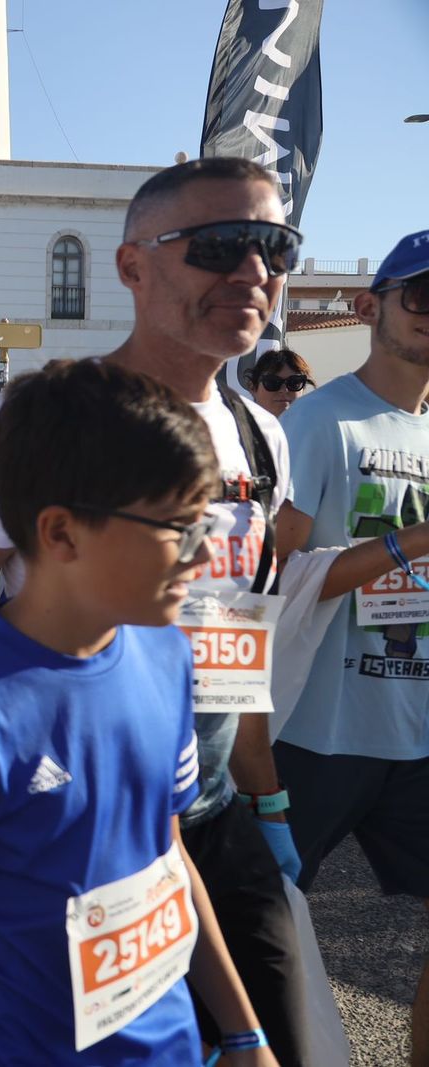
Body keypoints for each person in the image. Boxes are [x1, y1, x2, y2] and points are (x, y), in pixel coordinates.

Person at [0, 157, 311, 1065]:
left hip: (203, 812)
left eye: (274, 247)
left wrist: (265, 794)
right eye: (219, 246)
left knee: (272, 1042)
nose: (252, 273)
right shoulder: (38, 422)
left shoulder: (261, 434)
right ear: (132, 266)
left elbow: (237, 625)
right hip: (77, 820)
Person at [0, 359, 276, 1067]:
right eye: (175, 527)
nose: (200, 557)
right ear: (61, 533)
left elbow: (165, 855)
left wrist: (243, 1030)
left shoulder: (168, 657)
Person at [274, 228, 429, 1065]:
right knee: (259, 919)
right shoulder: (320, 419)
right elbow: (278, 575)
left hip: (417, 729)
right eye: (423, 294)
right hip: (318, 731)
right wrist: (415, 543)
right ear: (373, 307)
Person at [246, 347, 313, 418]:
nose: (284, 390)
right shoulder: (236, 427)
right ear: (252, 388)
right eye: (273, 382)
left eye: (294, 383)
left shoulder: (318, 426)